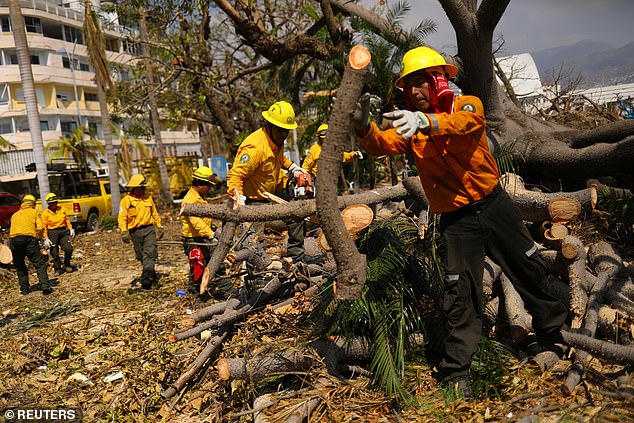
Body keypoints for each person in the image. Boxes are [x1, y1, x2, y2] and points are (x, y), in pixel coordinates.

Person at [353, 46, 568, 398]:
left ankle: (554, 334)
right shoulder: (411, 126)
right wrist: (364, 127)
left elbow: (470, 123)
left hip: (494, 205)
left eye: (422, 83)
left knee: (528, 266)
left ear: (439, 81)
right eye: (410, 87)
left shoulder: (464, 104)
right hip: (457, 220)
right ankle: (456, 374)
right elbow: (381, 144)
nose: (416, 93)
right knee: (461, 292)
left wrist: (429, 121)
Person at [226, 100, 307, 262]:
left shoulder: (276, 140)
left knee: (297, 214)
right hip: (254, 200)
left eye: (287, 131)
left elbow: (278, 158)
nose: (284, 134)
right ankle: (258, 276)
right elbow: (235, 175)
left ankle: (297, 258)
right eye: (281, 130)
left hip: (275, 190)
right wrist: (238, 198)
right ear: (269, 125)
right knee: (255, 242)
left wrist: (293, 168)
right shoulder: (255, 147)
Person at [118, 174, 164, 289]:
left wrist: (159, 226)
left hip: (149, 229)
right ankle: (150, 274)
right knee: (141, 255)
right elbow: (122, 217)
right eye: (142, 187)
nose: (144, 189)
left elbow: (154, 213)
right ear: (134, 187)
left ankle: (146, 279)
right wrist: (124, 231)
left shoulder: (148, 198)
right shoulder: (126, 201)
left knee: (150, 252)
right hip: (135, 232)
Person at [181, 166, 217, 296]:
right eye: (208, 186)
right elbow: (196, 222)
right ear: (201, 184)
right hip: (193, 239)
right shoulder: (190, 200)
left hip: (201, 237)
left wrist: (212, 229)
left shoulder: (200, 197)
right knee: (198, 266)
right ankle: (195, 293)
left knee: (204, 264)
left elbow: (204, 219)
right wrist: (211, 234)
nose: (209, 189)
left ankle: (201, 290)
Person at [9, 195, 52, 295]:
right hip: (29, 241)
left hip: (14, 242)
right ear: (33, 204)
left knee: (20, 266)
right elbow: (40, 227)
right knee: (39, 263)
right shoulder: (34, 212)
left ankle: (24, 289)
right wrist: (39, 238)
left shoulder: (15, 214)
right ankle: (45, 286)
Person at [41, 193, 75, 276]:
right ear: (48, 204)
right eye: (51, 203)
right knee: (54, 251)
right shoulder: (45, 213)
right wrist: (45, 237)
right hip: (52, 232)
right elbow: (44, 226)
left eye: (55, 203)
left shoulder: (61, 209)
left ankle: (67, 264)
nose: (53, 205)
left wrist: (70, 228)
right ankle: (57, 268)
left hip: (63, 231)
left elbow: (66, 220)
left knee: (68, 248)